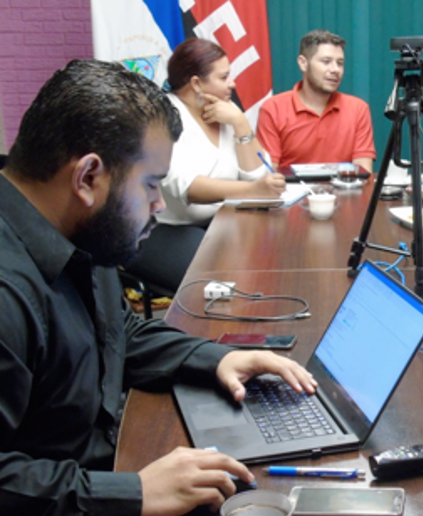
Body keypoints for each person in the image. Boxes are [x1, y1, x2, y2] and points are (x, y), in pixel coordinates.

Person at [0, 59, 317, 516]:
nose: (158, 204)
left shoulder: (78, 232)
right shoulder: (9, 291)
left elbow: (118, 334)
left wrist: (220, 358)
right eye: (151, 185)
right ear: (88, 177)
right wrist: (133, 493)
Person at [123, 38, 286, 294]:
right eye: (223, 77)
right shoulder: (160, 117)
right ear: (196, 83)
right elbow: (188, 188)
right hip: (163, 230)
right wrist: (253, 189)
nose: (232, 83)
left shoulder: (227, 110)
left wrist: (241, 123)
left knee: (272, 255)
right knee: (227, 277)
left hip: (219, 223)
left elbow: (257, 173)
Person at [257, 29, 376, 171]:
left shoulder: (358, 109)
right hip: (292, 192)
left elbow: (363, 172)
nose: (335, 70)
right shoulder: (274, 108)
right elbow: (270, 174)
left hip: (346, 191)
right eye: (326, 62)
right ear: (303, 63)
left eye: (340, 63)